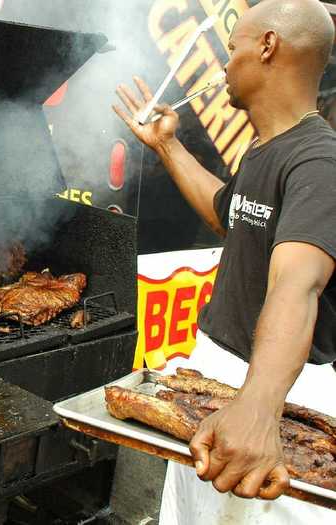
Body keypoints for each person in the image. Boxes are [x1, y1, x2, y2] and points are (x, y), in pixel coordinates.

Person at [113, 0, 336, 523]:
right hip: (219, 380)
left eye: (233, 48)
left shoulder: (319, 162)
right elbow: (228, 215)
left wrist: (259, 409)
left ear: (267, 46)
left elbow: (296, 286)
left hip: (280, 392)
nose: (224, 65)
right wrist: (167, 147)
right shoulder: (267, 149)